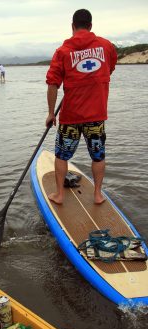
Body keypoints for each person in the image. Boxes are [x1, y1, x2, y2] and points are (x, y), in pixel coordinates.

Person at [45, 9, 117, 204]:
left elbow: (52, 84)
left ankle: (59, 195)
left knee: (61, 155)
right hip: (96, 116)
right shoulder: (106, 46)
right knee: (98, 156)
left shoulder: (62, 51)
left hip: (71, 117)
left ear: (72, 27)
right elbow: (109, 68)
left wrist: (51, 113)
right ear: (91, 26)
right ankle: (98, 195)